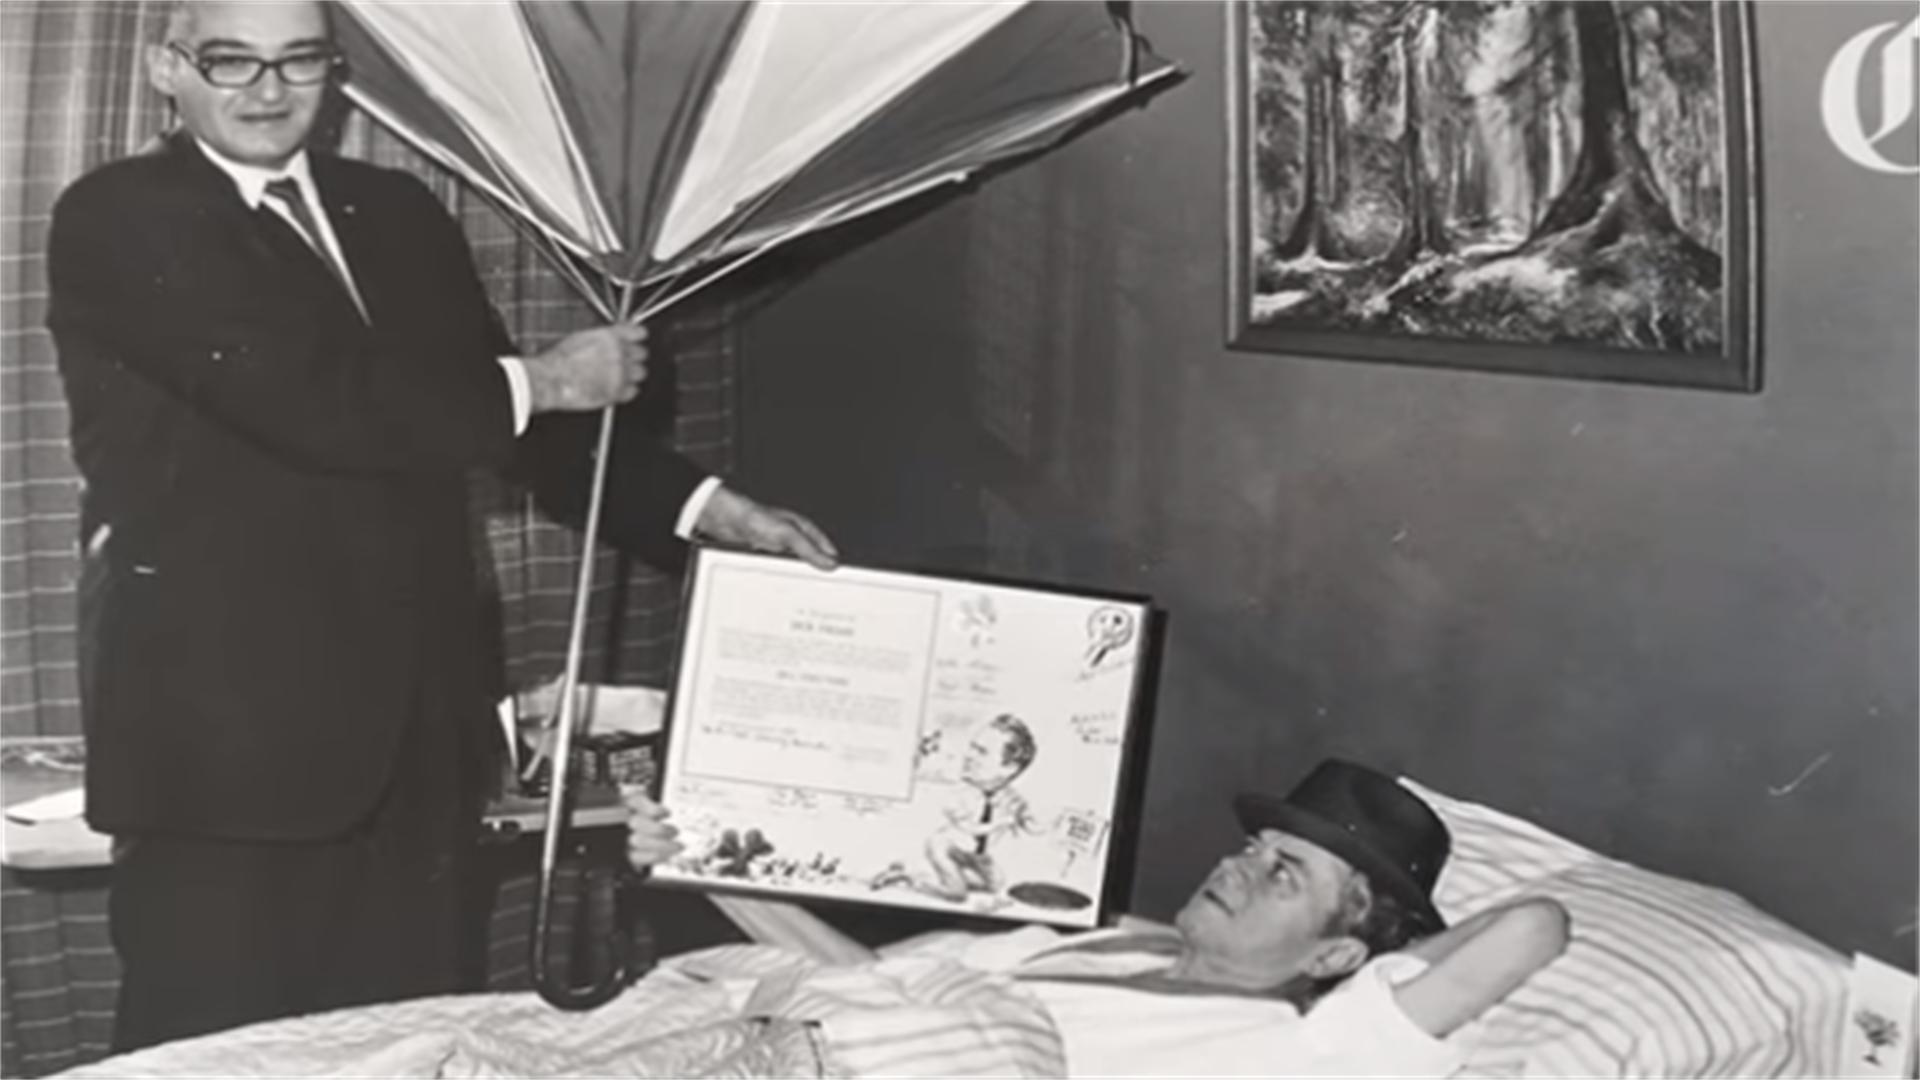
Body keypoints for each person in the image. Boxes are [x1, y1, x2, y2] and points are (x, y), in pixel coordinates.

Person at [46, 0, 835, 1053]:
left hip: (419, 739)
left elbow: (514, 430)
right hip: (229, 748)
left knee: (411, 1040)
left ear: (335, 74)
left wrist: (705, 509)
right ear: (166, 69)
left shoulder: (396, 210)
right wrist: (545, 378)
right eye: (232, 62)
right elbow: (317, 402)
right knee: (217, 1052)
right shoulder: (121, 214)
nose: (269, 91)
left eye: (300, 61)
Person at [625, 759, 1571, 1076]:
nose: (1238, 866)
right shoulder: (1106, 943)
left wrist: (1380, 966)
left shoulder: (1306, 1051)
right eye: (1254, 847)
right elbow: (873, 987)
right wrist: (701, 866)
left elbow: (1534, 925)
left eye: (1283, 874)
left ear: (1331, 954)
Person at [922, 712, 1039, 899]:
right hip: (946, 847)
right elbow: (970, 828)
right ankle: (912, 879)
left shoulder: (1011, 798)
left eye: (981, 752)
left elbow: (1032, 826)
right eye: (972, 747)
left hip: (977, 856)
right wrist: (1002, 823)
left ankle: (955, 877)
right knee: (956, 893)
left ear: (1009, 768)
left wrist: (1036, 822)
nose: (969, 756)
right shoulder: (959, 793)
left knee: (998, 885)